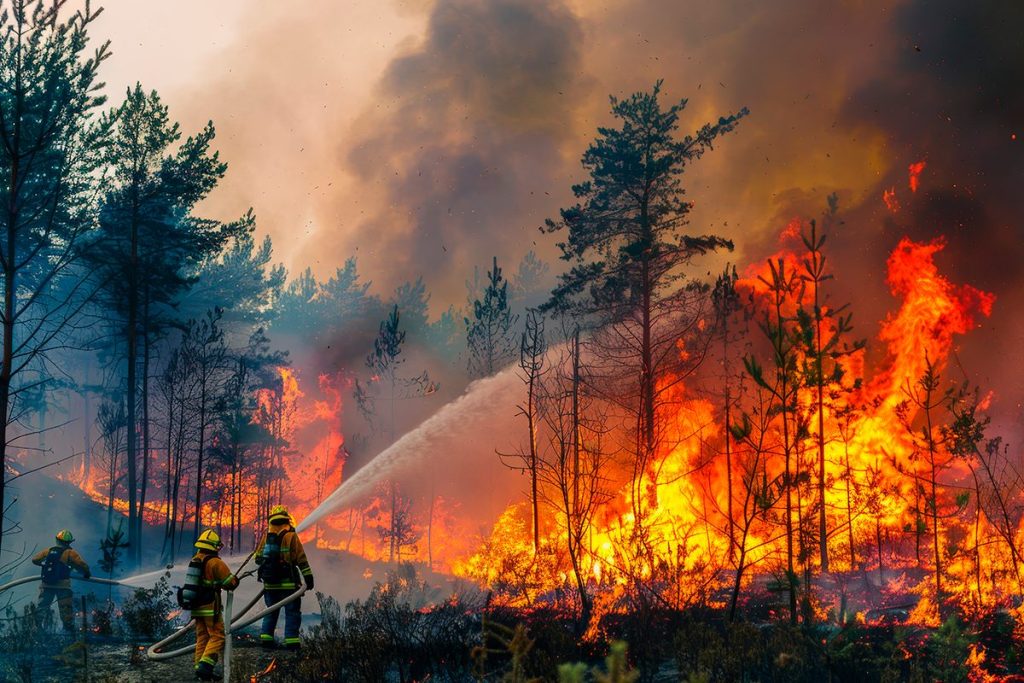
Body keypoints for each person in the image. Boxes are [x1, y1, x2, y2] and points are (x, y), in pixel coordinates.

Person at [178, 529, 239, 681]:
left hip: (196, 607)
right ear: (214, 546)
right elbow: (229, 583)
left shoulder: (195, 559)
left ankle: (199, 668)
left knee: (202, 637)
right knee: (218, 636)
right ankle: (205, 667)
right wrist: (235, 580)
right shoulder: (215, 563)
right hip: (210, 607)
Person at [255, 505, 314, 650]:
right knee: (292, 612)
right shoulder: (291, 536)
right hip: (289, 584)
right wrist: (308, 577)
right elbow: (301, 559)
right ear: (286, 519)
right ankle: (292, 642)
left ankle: (266, 639)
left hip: (270, 585)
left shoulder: (267, 537)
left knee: (271, 611)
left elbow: (257, 558)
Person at [31, 529, 91, 632]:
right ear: (69, 542)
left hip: (47, 585)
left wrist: (43, 564)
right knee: (65, 610)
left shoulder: (49, 550)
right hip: (63, 587)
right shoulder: (71, 553)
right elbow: (82, 565)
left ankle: (37, 629)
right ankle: (68, 633)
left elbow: (35, 559)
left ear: (57, 540)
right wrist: (87, 574)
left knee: (42, 607)